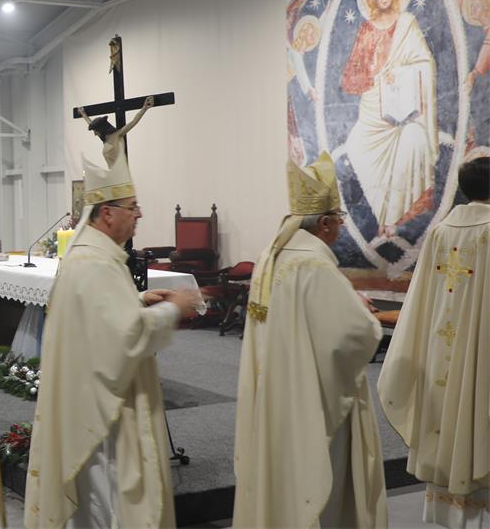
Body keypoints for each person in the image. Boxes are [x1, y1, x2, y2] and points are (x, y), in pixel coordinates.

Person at [24, 150, 200, 529]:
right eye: (132, 207)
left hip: (86, 403)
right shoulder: (97, 263)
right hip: (103, 420)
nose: (139, 214)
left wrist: (138, 299)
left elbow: (97, 321)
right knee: (109, 507)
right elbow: (125, 337)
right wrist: (174, 309)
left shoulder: (89, 255)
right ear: (107, 213)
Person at [232, 152, 387, 528]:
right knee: (320, 477)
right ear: (325, 223)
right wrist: (364, 313)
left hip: (275, 389)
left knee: (282, 468)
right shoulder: (314, 264)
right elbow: (353, 334)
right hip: (311, 397)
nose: (341, 226)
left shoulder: (274, 255)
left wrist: (346, 299)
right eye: (339, 218)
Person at [378, 155, 490, 529]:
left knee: (452, 409)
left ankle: (458, 510)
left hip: (443, 346)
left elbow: (421, 300)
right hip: (483, 348)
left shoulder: (441, 232)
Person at [342, 0, 438, 238]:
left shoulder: (407, 24)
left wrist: (402, 74)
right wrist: (373, 76)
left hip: (405, 108)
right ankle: (382, 216)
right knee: (356, 145)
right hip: (374, 109)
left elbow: (425, 64)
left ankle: (396, 219)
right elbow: (349, 78)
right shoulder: (366, 29)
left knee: (413, 141)